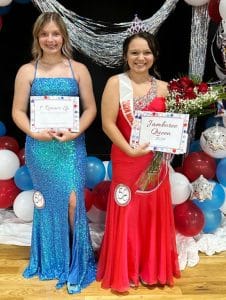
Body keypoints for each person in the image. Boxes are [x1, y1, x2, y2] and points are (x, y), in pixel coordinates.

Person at [12, 12, 97, 294]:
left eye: (55, 34)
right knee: (48, 204)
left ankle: (77, 258)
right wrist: (34, 132)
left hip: (71, 146)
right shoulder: (27, 71)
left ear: (64, 36)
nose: (50, 39)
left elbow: (91, 110)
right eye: (45, 34)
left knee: (73, 201)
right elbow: (17, 111)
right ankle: (53, 258)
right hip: (41, 148)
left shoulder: (79, 70)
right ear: (38, 37)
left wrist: (76, 131)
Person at [96, 30, 181, 292]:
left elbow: (173, 127)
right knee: (128, 208)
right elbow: (108, 124)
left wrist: (172, 144)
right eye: (134, 52)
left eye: (146, 52)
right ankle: (126, 269)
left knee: (151, 210)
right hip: (126, 159)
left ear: (154, 56)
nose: (140, 57)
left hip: (155, 164)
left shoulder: (166, 88)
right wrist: (129, 150)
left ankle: (151, 268)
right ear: (125, 55)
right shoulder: (115, 84)